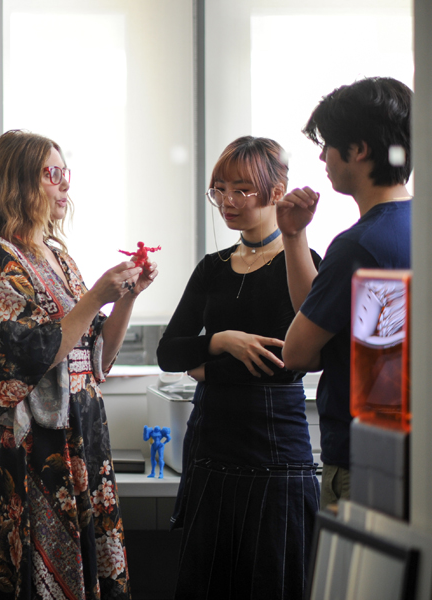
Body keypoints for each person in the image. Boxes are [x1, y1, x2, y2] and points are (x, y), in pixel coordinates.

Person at [0, 130, 157, 600]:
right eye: (51, 175)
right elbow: (30, 357)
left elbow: (97, 357)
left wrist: (127, 297)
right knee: (34, 578)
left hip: (82, 437)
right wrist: (94, 296)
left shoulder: (58, 255)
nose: (63, 186)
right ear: (17, 183)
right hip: (33, 449)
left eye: (64, 173)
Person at [157, 136, 321, 599]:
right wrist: (219, 341)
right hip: (212, 449)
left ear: (276, 190)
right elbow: (170, 353)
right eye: (220, 189)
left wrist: (205, 366)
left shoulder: (302, 262)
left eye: (242, 189)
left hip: (276, 453)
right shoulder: (212, 267)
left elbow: (287, 366)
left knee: (274, 580)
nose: (228, 201)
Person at [279, 77, 412, 510]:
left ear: (357, 150)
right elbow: (318, 320)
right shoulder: (415, 228)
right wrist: (294, 237)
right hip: (411, 456)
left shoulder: (359, 245)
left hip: (363, 464)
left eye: (329, 145)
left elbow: (298, 352)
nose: (322, 157)